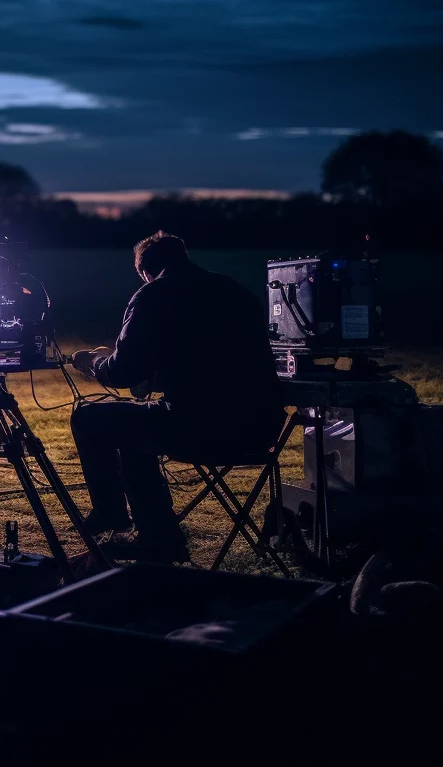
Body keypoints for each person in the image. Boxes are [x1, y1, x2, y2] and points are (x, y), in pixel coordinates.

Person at [69, 231, 283, 563]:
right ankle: (156, 537)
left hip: (199, 430)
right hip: (259, 430)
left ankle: (113, 515)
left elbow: (121, 372)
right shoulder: (233, 290)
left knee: (89, 416)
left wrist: (91, 362)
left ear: (144, 270)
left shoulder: (153, 295)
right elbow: (210, 358)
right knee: (132, 427)